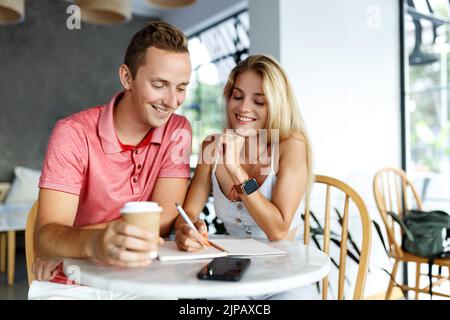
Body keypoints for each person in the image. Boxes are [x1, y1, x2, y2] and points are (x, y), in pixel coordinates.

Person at [29, 20, 193, 300]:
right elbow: (45, 239)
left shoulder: (178, 130)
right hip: (72, 278)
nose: (172, 100)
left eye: (181, 87)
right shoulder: (72, 133)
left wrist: (71, 239)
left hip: (144, 277)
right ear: (127, 78)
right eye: (159, 85)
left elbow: (165, 218)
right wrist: (93, 243)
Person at [174, 54, 318, 299]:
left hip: (286, 275)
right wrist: (188, 231)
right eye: (237, 96)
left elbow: (278, 232)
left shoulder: (291, 144)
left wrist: (236, 169)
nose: (243, 108)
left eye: (259, 101)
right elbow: (187, 216)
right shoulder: (212, 146)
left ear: (277, 105)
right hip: (232, 271)